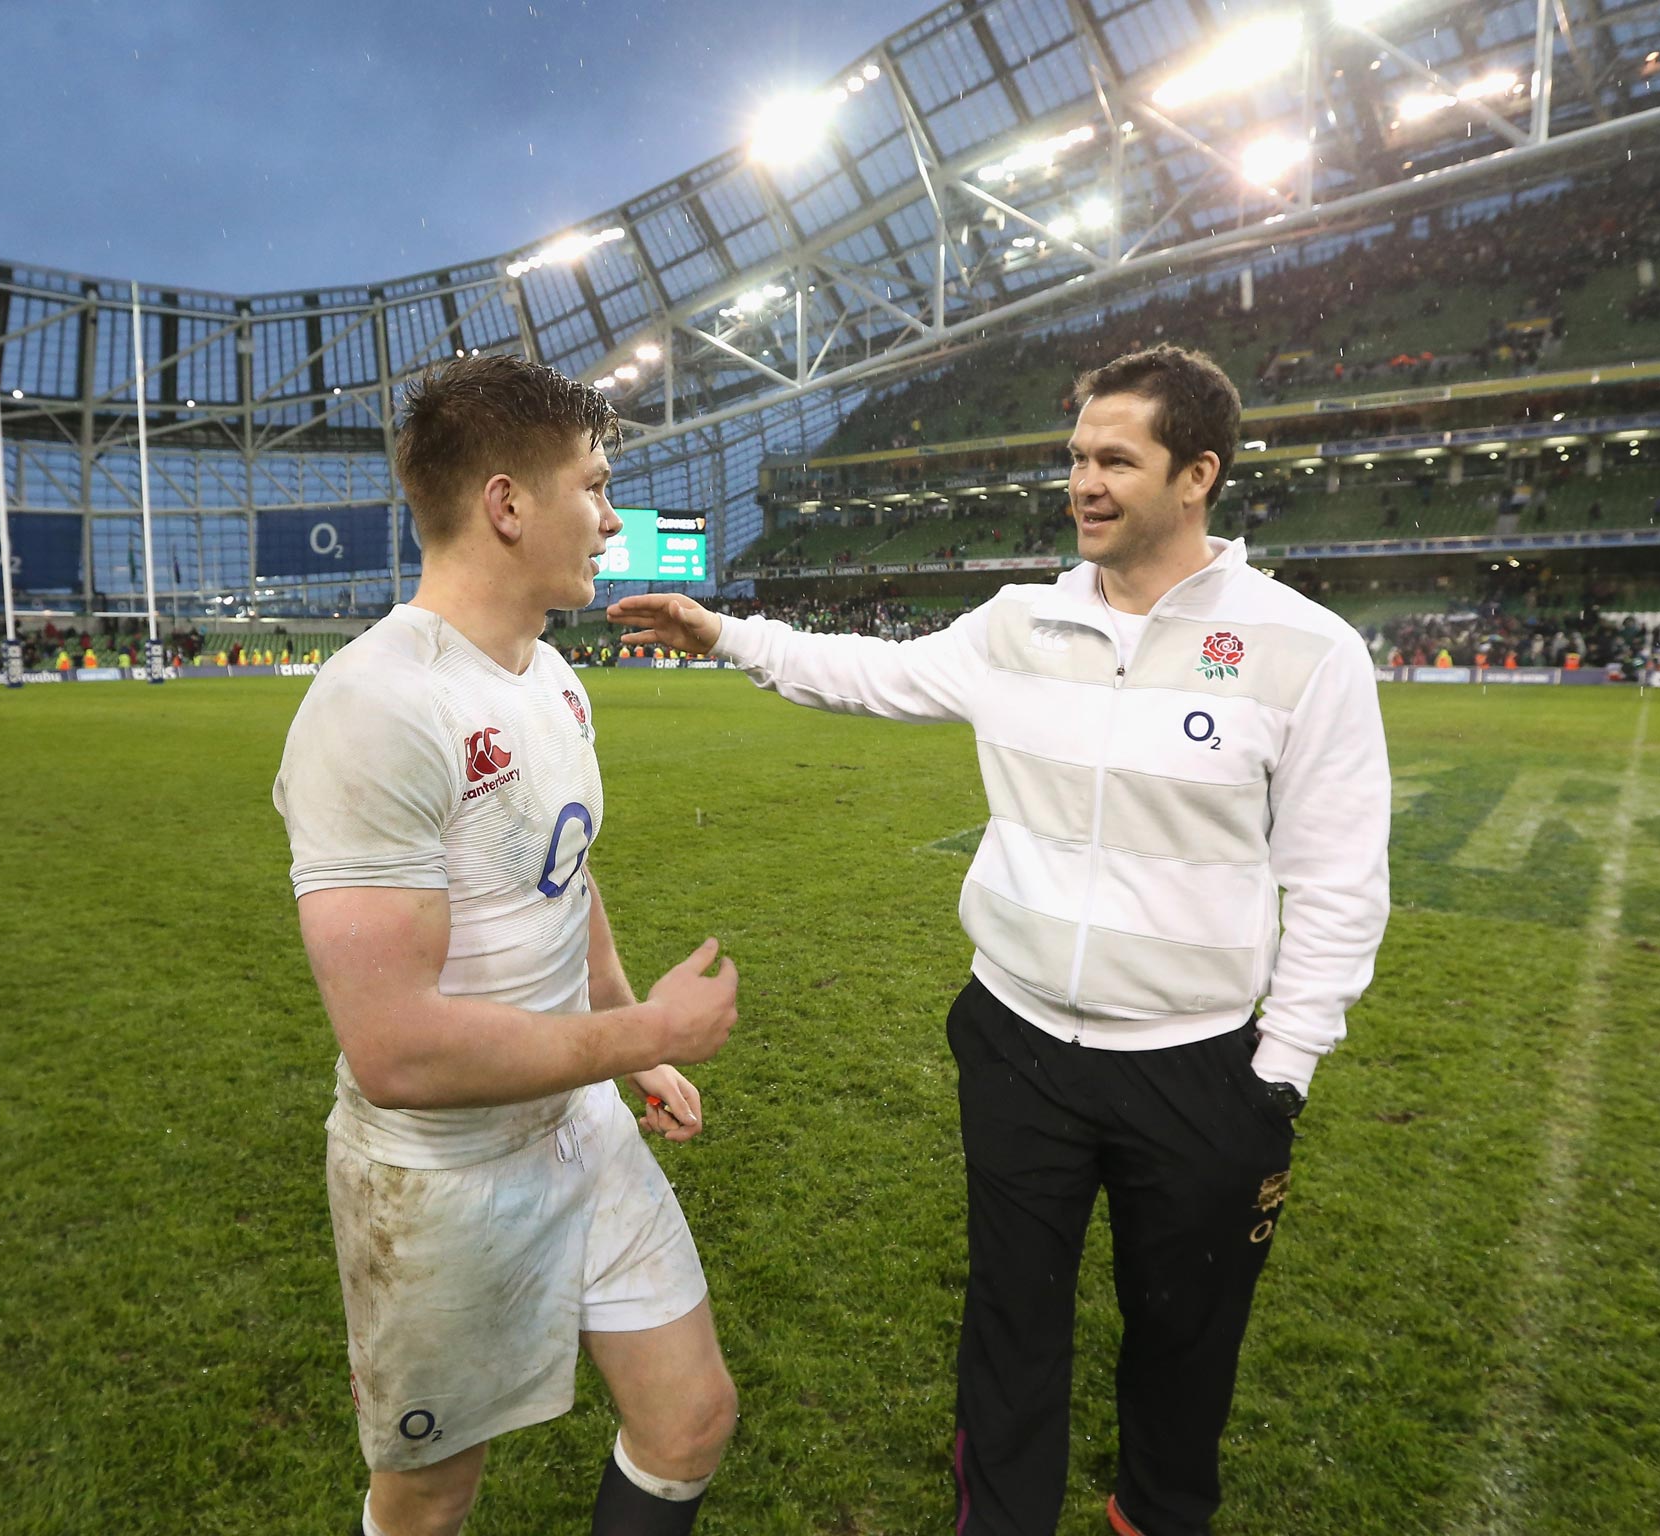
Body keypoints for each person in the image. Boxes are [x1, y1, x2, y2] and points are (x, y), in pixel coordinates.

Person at [612, 345, 1391, 1536]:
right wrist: (724, 634)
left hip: (1198, 1071)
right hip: (1017, 1044)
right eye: (1075, 456)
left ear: (1196, 476)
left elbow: (1339, 882)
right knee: (1008, 1326)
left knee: (1185, 1343)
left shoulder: (1305, 651)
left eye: (1112, 459)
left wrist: (1276, 1074)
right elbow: (867, 674)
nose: (1081, 481)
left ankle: (1154, 1515)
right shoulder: (1018, 623)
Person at [273, 355, 741, 1536]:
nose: (614, 515)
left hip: (571, 1118)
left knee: (688, 1421)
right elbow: (395, 1051)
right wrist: (643, 1030)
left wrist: (630, 1058)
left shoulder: (553, 682)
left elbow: (562, 878)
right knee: (433, 1498)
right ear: (506, 505)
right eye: (595, 484)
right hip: (440, 1172)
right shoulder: (374, 706)